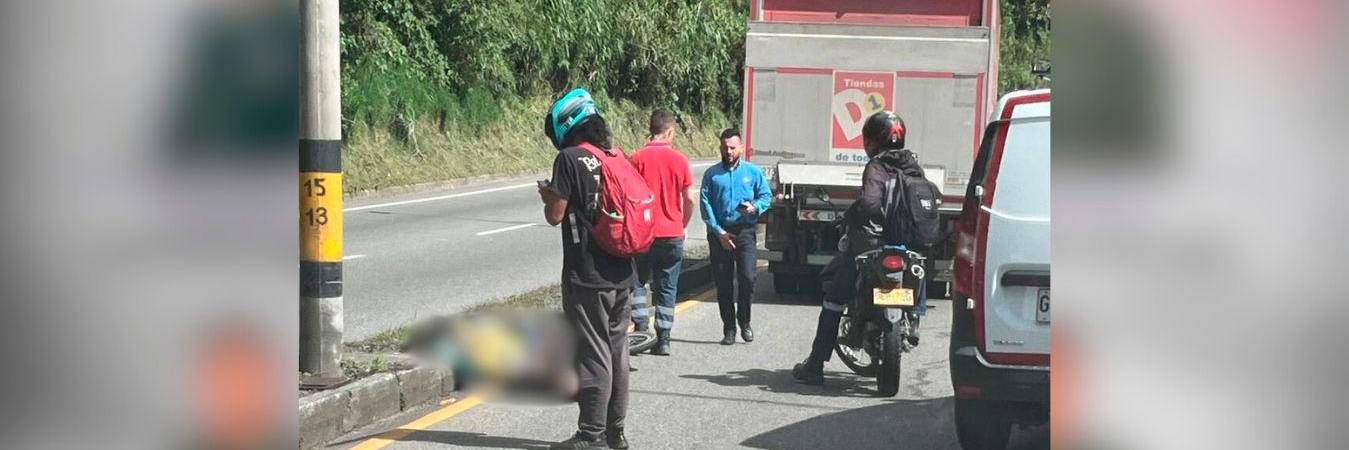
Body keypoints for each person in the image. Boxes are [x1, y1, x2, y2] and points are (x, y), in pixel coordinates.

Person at [792, 110, 928, 386]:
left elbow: (868, 203)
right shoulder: (913, 165)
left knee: (834, 297)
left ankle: (815, 365)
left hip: (871, 243)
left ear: (873, 140)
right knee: (919, 271)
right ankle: (913, 318)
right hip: (908, 242)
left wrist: (856, 216)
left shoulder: (876, 166)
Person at [538, 88, 635, 450]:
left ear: (567, 126)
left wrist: (549, 195)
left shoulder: (569, 159)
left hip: (588, 274)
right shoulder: (615, 156)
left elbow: (555, 215)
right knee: (617, 353)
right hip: (624, 272)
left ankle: (590, 435)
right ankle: (616, 432)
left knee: (593, 353)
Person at [629, 110, 695, 356]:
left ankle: (640, 329)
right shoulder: (680, 160)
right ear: (669, 132)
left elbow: (629, 197)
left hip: (643, 235)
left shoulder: (637, 159)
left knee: (637, 282)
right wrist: (683, 224)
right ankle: (664, 339)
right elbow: (689, 199)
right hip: (672, 234)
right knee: (667, 286)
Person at [700, 128, 772, 346]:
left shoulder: (753, 172)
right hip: (720, 233)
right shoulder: (712, 174)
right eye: (725, 147)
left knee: (748, 279)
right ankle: (729, 328)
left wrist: (755, 207)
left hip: (745, 233)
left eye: (732, 147)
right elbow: (706, 205)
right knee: (723, 284)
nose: (728, 151)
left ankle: (745, 321)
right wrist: (718, 231)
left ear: (740, 147)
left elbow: (766, 195)